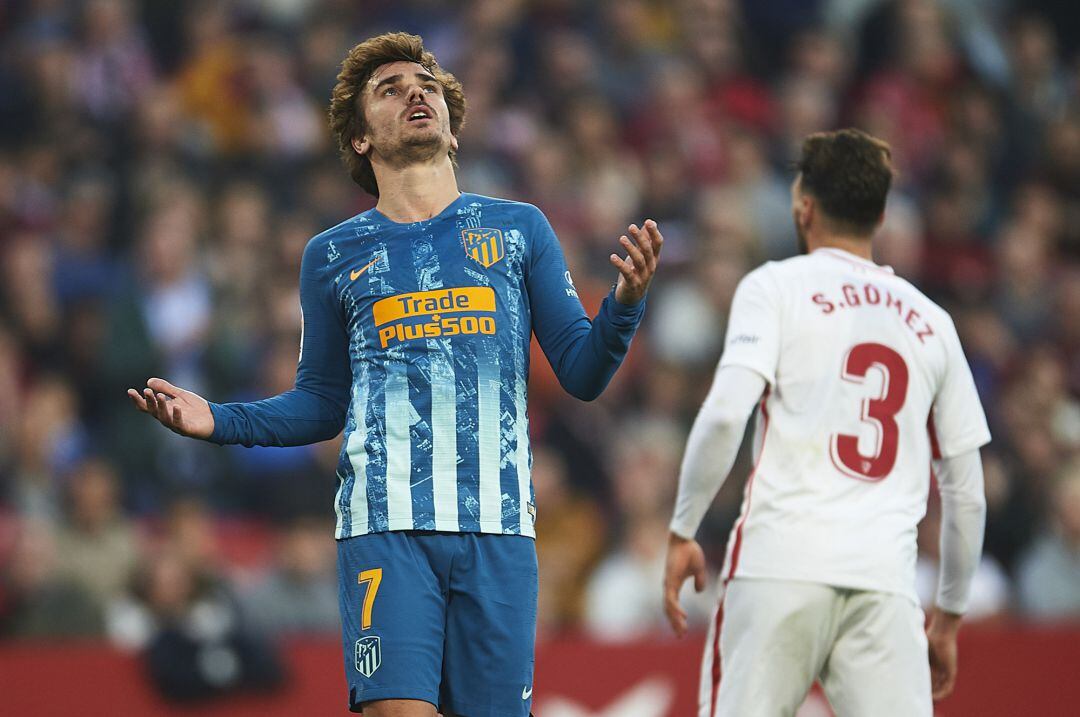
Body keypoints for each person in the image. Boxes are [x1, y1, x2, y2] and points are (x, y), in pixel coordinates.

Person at [128, 32, 662, 717]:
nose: (417, 92)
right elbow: (323, 403)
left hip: (497, 527)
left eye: (428, 85)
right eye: (391, 88)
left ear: (451, 124)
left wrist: (623, 305)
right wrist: (219, 419)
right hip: (387, 523)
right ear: (359, 139)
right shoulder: (333, 255)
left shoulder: (519, 229)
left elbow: (583, 374)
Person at [662, 129, 989, 717]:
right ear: (882, 214)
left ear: (803, 206)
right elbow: (967, 492)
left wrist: (684, 528)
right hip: (884, 581)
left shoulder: (775, 287)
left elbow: (725, 414)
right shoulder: (932, 321)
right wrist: (950, 615)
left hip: (777, 562)